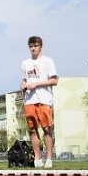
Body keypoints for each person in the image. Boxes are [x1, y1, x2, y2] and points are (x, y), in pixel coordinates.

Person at [20, 36, 58, 168]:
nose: (33, 48)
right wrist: (23, 84)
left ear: (41, 46)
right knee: (32, 130)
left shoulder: (48, 61)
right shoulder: (25, 63)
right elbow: (25, 79)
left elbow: (54, 81)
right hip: (30, 100)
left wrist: (37, 84)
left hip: (44, 99)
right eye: (31, 46)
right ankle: (37, 158)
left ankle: (49, 158)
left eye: (35, 46)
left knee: (47, 129)